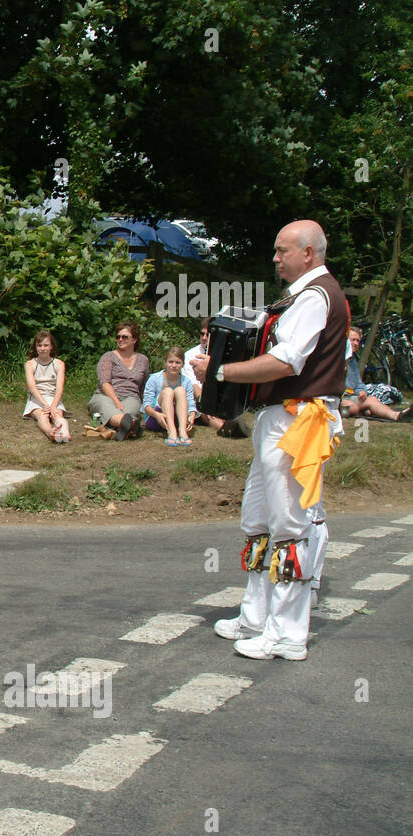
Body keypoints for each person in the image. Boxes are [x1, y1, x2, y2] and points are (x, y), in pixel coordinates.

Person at [191, 220, 349, 661]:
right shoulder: (307, 293)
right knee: (259, 519)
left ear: (309, 254)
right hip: (280, 416)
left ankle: (286, 634)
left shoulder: (317, 297)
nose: (276, 258)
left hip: (298, 420)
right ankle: (256, 615)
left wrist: (221, 372)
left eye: (282, 251)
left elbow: (284, 361)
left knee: (290, 527)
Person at [87, 322, 149, 440]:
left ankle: (122, 425)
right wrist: (116, 401)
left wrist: (146, 405)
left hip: (131, 396)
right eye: (118, 337)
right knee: (107, 407)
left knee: (129, 410)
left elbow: (143, 385)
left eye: (124, 337)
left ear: (134, 340)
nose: (120, 339)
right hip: (107, 395)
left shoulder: (143, 360)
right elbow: (104, 382)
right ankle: (130, 425)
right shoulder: (108, 357)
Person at [340, 327, 412, 422]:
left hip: (351, 397)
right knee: (353, 407)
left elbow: (358, 384)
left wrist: (362, 392)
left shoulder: (353, 362)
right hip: (337, 399)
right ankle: (361, 410)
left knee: (372, 399)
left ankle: (398, 416)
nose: (356, 343)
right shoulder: (336, 359)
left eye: (358, 341)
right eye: (353, 340)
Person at [141, 346, 198, 446]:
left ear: (182, 364)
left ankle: (182, 432)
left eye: (178, 362)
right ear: (165, 362)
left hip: (179, 419)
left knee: (180, 390)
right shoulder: (154, 379)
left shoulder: (186, 381)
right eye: (171, 362)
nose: (174, 365)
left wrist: (192, 415)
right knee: (168, 391)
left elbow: (191, 404)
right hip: (156, 418)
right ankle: (171, 432)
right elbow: (146, 405)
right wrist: (156, 415)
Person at [22, 330, 70, 444]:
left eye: (46, 345)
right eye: (39, 345)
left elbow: (59, 388)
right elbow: (32, 387)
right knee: (42, 415)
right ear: (35, 347)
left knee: (57, 414)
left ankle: (65, 433)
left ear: (51, 347)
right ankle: (51, 433)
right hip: (36, 399)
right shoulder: (29, 364)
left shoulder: (59, 364)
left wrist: (53, 406)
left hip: (53, 397)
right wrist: (45, 405)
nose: (42, 348)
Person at [183, 318, 226, 431]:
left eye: (208, 334)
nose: (204, 337)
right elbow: (192, 385)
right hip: (198, 398)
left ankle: (230, 423)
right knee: (209, 413)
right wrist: (207, 404)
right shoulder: (190, 355)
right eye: (202, 334)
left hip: (217, 398)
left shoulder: (222, 355)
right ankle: (224, 429)